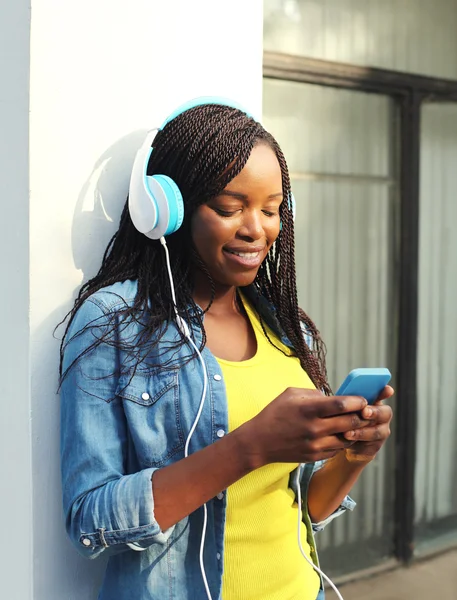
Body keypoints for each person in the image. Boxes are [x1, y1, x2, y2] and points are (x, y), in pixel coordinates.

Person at [59, 99, 393, 600]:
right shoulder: (113, 322)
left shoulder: (283, 327)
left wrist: (352, 457)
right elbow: (89, 520)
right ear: (167, 208)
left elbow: (299, 510)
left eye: (271, 209)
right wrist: (249, 446)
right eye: (229, 207)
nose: (256, 229)